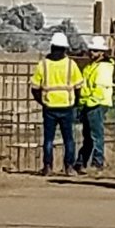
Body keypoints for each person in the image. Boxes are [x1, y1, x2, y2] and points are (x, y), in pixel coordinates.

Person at [31, 32, 80, 175]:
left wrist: (43, 102)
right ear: (65, 48)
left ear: (52, 47)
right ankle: (69, 167)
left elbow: (34, 89)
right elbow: (78, 88)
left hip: (50, 106)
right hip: (66, 106)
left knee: (48, 139)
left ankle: (47, 167)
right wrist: (75, 102)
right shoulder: (71, 64)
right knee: (68, 139)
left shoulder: (43, 65)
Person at [75, 34, 114, 174]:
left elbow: (98, 89)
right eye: (91, 50)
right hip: (90, 103)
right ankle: (82, 162)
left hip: (95, 104)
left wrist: (88, 103)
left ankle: (96, 163)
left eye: (95, 50)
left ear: (102, 53)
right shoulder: (94, 66)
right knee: (90, 136)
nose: (92, 53)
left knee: (95, 135)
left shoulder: (102, 68)